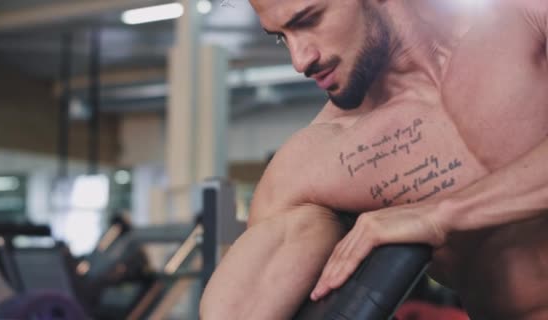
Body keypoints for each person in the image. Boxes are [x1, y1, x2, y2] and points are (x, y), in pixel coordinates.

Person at [200, 0, 548, 319]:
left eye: (309, 20)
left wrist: (441, 215)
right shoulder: (315, 163)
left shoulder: (527, 18)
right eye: (281, 38)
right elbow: (234, 310)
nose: (299, 59)